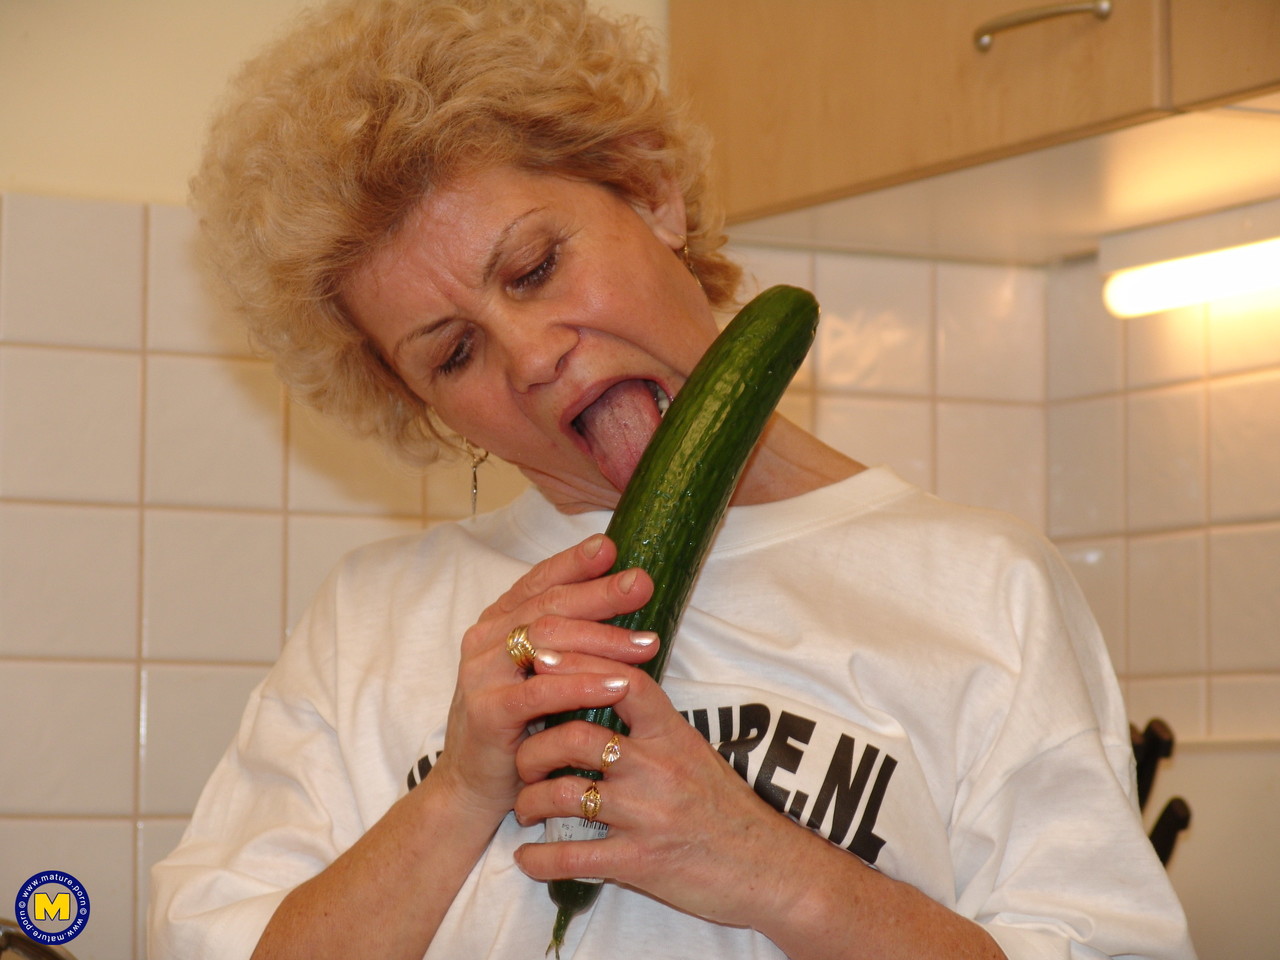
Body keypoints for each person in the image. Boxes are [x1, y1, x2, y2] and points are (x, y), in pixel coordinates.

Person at [148, 1, 1196, 958]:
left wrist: (775, 872)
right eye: (454, 353)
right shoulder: (371, 623)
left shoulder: (980, 586)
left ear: (653, 196)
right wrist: (458, 793)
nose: (530, 357)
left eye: (535, 267)